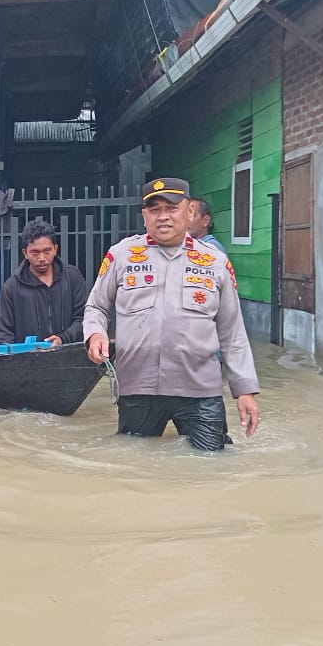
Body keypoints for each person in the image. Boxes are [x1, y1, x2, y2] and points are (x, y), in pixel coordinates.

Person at [82, 177, 260, 451]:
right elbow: (97, 306)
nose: (163, 217)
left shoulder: (214, 262)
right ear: (144, 216)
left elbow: (231, 330)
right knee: (135, 465)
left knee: (211, 467)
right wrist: (95, 333)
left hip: (200, 389)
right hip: (138, 387)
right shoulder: (122, 256)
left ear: (190, 212)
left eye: (172, 208)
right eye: (154, 210)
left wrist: (244, 389)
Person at [0, 218, 87, 346]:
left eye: (47, 251)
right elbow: (4, 334)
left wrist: (63, 339)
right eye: (35, 252)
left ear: (55, 249)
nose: (41, 258)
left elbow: (84, 318)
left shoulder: (72, 278)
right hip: (28, 362)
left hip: (69, 357)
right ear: (25, 253)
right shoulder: (11, 288)